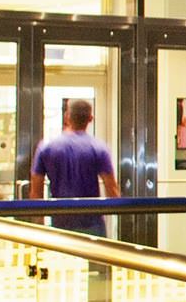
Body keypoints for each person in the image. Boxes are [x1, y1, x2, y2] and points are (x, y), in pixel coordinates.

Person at [25, 99, 119, 236]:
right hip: (92, 224)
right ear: (90, 119)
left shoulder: (46, 147)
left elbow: (36, 191)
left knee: (62, 256)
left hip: (60, 222)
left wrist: (38, 223)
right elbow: (112, 189)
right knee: (95, 256)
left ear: (67, 117)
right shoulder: (99, 148)